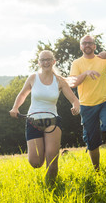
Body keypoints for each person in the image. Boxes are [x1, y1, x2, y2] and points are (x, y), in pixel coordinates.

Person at [9, 50, 80, 183]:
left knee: (52, 161)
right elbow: (22, 95)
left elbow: (74, 99)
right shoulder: (33, 78)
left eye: (49, 59)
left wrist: (76, 106)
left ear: (54, 61)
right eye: (43, 60)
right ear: (39, 62)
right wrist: (15, 107)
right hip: (33, 121)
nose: (46, 62)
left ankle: (51, 187)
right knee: (35, 162)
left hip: (52, 121)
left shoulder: (59, 81)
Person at [68, 35, 106, 171]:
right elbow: (72, 83)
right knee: (92, 141)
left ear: (94, 46)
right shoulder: (77, 63)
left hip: (105, 101)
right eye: (84, 43)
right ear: (81, 47)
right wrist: (85, 73)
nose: (87, 45)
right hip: (86, 105)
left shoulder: (103, 59)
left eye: (90, 43)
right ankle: (96, 171)